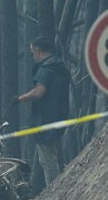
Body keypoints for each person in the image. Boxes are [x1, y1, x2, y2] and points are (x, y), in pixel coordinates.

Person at [12, 36, 72, 188]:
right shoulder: (60, 67)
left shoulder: (46, 69)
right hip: (59, 115)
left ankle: (54, 191)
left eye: (32, 53)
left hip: (45, 118)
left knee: (47, 159)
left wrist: (21, 98)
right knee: (52, 154)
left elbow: (39, 92)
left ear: (38, 51)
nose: (33, 56)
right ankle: (59, 187)